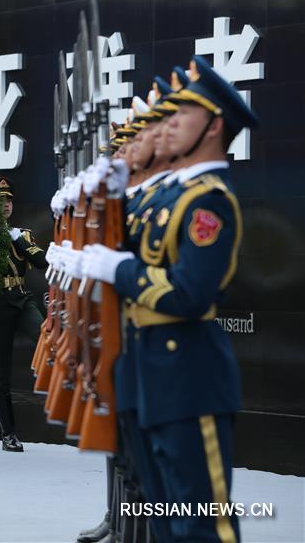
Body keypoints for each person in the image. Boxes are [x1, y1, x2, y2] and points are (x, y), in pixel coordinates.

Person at [82, 56, 256, 542]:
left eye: (182, 115)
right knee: (163, 519)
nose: (167, 126)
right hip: (149, 368)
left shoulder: (208, 201)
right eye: (166, 116)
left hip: (188, 374)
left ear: (215, 125)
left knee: (202, 523)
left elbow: (189, 293)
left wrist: (119, 268)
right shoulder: (172, 197)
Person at [0, 176, 47, 452]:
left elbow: (41, 262)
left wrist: (16, 240)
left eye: (9, 200)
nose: (6, 205)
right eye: (0, 201)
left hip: (21, 299)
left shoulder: (22, 235)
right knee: (1, 373)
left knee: (48, 339)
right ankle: (8, 433)